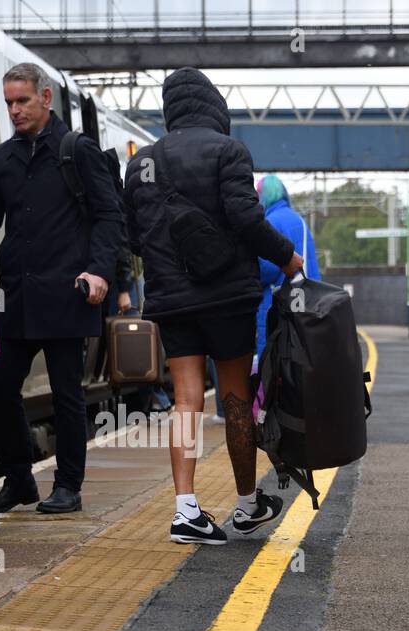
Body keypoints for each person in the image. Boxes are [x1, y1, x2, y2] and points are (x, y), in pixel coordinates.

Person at [123, 67, 303, 545]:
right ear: (213, 106)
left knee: (184, 400)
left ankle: (186, 511)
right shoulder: (228, 150)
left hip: (171, 301)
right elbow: (246, 217)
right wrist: (287, 257)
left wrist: (172, 261)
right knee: (235, 398)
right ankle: (246, 505)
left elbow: (132, 236)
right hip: (226, 298)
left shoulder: (141, 162)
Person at [0, 63, 125, 515]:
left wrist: (99, 270)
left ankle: (68, 486)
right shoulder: (1, 159)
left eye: (22, 101)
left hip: (67, 292)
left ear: (45, 98)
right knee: (1, 387)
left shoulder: (77, 150)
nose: (14, 110)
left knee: (66, 394)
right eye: (8, 103)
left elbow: (109, 215)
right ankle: (20, 478)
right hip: (15, 296)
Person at [255, 175, 320, 363]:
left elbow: (267, 270)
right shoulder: (299, 220)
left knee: (273, 361)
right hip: (305, 301)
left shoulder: (269, 223)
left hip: (276, 304)